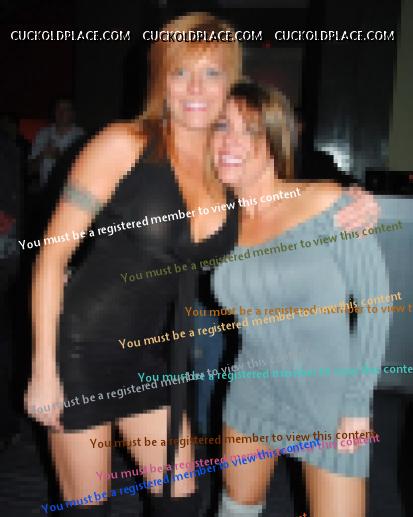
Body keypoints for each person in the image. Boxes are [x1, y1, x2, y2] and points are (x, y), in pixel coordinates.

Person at [25, 12, 242, 516]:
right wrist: (43, 369)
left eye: (210, 72)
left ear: (230, 82)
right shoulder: (123, 143)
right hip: (82, 351)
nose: (195, 87)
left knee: (181, 505)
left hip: (155, 361)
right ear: (161, 79)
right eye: (180, 71)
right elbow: (52, 256)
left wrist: (347, 203)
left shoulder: (227, 161)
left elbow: (284, 207)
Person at [211, 81, 390, 517]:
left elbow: (377, 305)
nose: (230, 141)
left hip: (328, 401)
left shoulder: (328, 202)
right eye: (221, 126)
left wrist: (357, 406)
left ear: (275, 140)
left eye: (249, 130)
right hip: (252, 391)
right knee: (236, 509)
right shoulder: (218, 221)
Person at [29, 98, 84, 187]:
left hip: (69, 191)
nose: (61, 113)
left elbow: (83, 170)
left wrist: (59, 157)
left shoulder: (80, 136)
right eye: (58, 109)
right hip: (46, 189)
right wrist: (42, 155)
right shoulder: (43, 134)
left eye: (66, 109)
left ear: (72, 114)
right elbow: (30, 169)